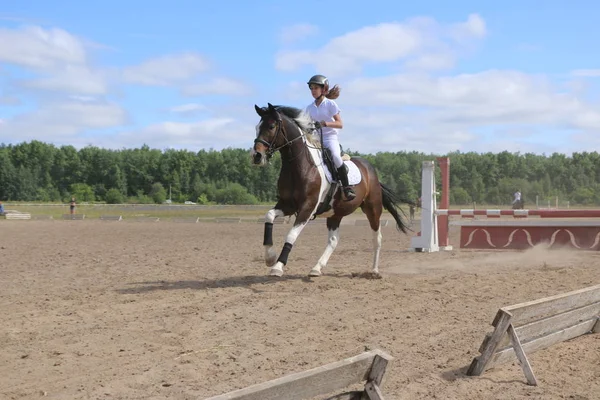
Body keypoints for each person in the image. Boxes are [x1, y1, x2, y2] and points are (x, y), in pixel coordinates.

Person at [305, 74, 356, 201]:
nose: (313, 91)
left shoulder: (330, 104)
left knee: (335, 156)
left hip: (330, 138)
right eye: (311, 88)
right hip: (315, 139)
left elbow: (340, 124)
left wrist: (325, 123)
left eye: (315, 88)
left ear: (323, 89)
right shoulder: (309, 108)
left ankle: (347, 187)